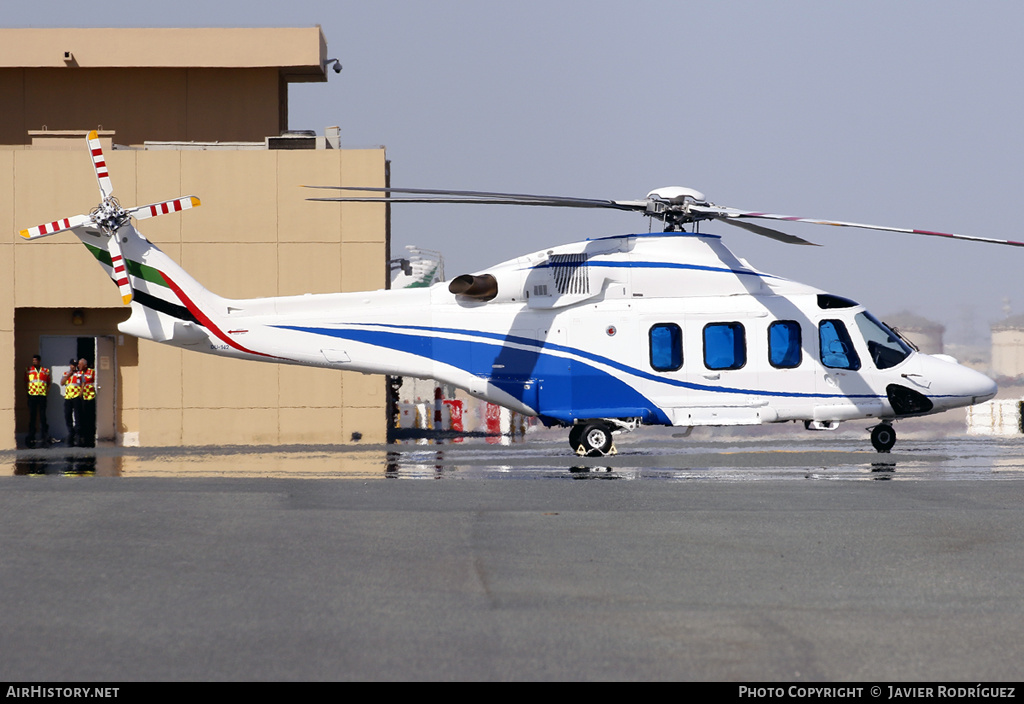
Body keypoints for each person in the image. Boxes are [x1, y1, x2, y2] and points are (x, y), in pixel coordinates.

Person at [25, 354, 51, 448]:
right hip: (32, 396)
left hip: (42, 396)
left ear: (39, 361)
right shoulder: (29, 370)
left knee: (43, 416)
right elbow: (26, 382)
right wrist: (28, 392)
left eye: (35, 360)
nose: (34, 362)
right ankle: (31, 434)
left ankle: (45, 434)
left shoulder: (45, 371)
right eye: (33, 361)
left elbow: (48, 383)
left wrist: (46, 393)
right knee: (32, 416)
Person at [61, 358, 83, 447]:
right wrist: (68, 375)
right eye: (72, 365)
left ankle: (78, 435)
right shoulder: (66, 373)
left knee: (77, 416)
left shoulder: (79, 374)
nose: (74, 367)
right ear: (70, 365)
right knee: (67, 415)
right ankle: (71, 432)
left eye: (75, 365)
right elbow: (62, 383)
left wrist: (80, 395)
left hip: (76, 397)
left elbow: (83, 385)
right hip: (68, 398)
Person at [78, 358, 97, 448]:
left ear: (85, 365)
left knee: (90, 417)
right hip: (84, 398)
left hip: (91, 397)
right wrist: (80, 394)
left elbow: (95, 382)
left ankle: (91, 435)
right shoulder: (81, 374)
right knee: (84, 416)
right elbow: (83, 384)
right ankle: (85, 435)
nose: (78, 366)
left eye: (80, 364)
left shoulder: (92, 372)